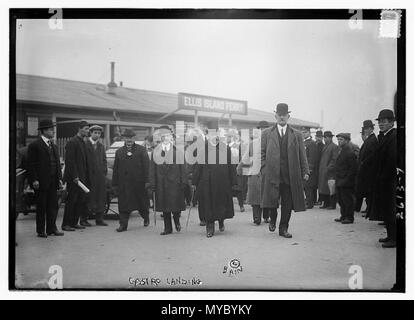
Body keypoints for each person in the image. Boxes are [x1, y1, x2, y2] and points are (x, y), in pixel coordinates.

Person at [261, 103, 309, 238]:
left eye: (284, 115)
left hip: (290, 175)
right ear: (275, 116)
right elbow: (262, 153)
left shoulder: (297, 134)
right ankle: (273, 219)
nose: (282, 117)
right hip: (272, 174)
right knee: (271, 201)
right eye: (279, 115)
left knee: (287, 204)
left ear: (288, 116)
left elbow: (302, 154)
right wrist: (264, 168)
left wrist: (305, 170)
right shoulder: (266, 133)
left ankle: (283, 228)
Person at [192, 129, 238, 238]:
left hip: (222, 182)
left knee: (221, 203)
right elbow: (198, 166)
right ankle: (210, 227)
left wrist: (233, 181)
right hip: (207, 182)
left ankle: (221, 221)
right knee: (208, 205)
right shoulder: (203, 149)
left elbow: (231, 166)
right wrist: (195, 181)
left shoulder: (225, 148)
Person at [27, 119, 64, 237]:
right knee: (42, 206)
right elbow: (31, 165)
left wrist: (59, 178)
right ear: (43, 131)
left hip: (53, 181)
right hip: (41, 182)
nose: (53, 132)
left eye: (52, 130)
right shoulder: (34, 145)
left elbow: (57, 163)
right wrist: (34, 180)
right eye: (50, 130)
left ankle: (52, 229)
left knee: (53, 206)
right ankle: (41, 230)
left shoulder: (54, 145)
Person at [367, 109, 397, 248]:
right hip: (383, 180)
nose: (381, 124)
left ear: (392, 122)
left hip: (390, 181)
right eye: (380, 122)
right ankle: (390, 236)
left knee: (391, 210)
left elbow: (392, 160)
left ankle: (394, 238)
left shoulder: (394, 136)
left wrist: (383, 177)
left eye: (384, 122)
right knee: (387, 209)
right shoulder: (385, 136)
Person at [149, 126, 187, 235]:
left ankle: (177, 221)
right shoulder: (155, 152)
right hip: (162, 184)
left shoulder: (178, 152)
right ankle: (167, 228)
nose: (166, 138)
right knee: (165, 207)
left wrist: (183, 181)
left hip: (175, 183)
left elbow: (183, 168)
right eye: (163, 136)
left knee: (175, 206)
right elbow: (152, 169)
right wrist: (152, 183)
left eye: (168, 136)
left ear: (171, 137)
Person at [112, 129, 150, 232]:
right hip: (124, 184)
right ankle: (123, 225)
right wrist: (114, 184)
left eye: (131, 138)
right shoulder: (119, 152)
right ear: (124, 139)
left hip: (139, 183)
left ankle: (146, 217)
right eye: (127, 138)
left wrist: (147, 181)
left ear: (134, 138)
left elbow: (147, 167)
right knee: (123, 204)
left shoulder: (141, 150)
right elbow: (116, 169)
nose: (129, 140)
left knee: (142, 204)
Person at [239, 120, 270, 225]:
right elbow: (246, 157)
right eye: (261, 129)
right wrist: (239, 167)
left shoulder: (273, 143)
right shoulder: (253, 144)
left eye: (265, 129)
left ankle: (266, 216)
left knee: (267, 196)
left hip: (268, 174)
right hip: (255, 174)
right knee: (255, 197)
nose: (263, 130)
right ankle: (257, 218)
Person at [61, 120, 91, 231]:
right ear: (79, 129)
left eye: (88, 129)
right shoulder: (72, 142)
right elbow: (70, 161)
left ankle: (74, 222)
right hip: (74, 178)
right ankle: (65, 224)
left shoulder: (82, 142)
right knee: (71, 201)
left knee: (80, 200)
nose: (88, 131)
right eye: (86, 129)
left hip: (81, 177)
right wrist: (74, 176)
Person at [85, 125, 108, 226]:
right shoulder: (85, 145)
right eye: (95, 133)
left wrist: (104, 172)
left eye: (99, 133)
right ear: (90, 133)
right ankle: (83, 219)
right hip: (88, 176)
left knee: (100, 197)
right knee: (88, 197)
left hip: (99, 177)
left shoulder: (101, 146)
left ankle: (99, 219)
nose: (97, 135)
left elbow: (104, 160)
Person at [333, 133, 358, 224]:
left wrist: (347, 179)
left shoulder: (349, 152)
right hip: (340, 179)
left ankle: (349, 217)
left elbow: (353, 168)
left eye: (341, 139)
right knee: (341, 199)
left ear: (347, 141)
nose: (339, 141)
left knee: (347, 200)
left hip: (346, 181)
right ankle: (343, 216)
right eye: (338, 139)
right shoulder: (342, 151)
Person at [355, 120, 378, 214]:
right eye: (365, 129)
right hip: (365, 169)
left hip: (368, 170)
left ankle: (369, 210)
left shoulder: (372, 139)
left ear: (371, 129)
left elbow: (373, 154)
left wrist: (364, 162)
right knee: (366, 190)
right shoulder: (369, 139)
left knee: (368, 191)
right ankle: (368, 209)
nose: (365, 130)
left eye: (367, 128)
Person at [318, 131, 339, 210]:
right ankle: (326, 203)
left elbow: (334, 159)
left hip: (330, 172)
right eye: (324, 137)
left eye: (326, 137)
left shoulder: (334, 147)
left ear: (330, 138)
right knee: (324, 188)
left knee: (331, 188)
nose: (325, 139)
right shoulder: (326, 146)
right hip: (324, 170)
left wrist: (328, 168)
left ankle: (332, 204)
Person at [302, 127, 319, 209]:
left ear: (309, 133)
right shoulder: (304, 142)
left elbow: (312, 158)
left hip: (308, 169)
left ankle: (310, 203)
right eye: (302, 132)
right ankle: (308, 201)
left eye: (305, 132)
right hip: (303, 168)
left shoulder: (311, 143)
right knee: (305, 186)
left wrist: (309, 169)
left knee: (308, 186)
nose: (303, 134)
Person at [314, 130, 324, 205]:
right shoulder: (314, 144)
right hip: (314, 167)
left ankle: (320, 199)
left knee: (320, 184)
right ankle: (314, 199)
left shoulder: (323, 146)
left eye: (320, 137)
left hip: (320, 167)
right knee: (314, 184)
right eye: (317, 137)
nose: (318, 138)